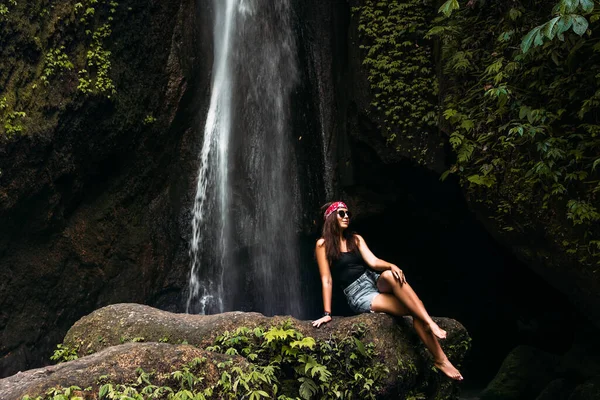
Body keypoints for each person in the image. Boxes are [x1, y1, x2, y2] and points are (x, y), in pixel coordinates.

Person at [311, 201, 463, 381]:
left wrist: (392, 265)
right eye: (341, 213)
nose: (346, 217)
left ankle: (429, 323)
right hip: (359, 293)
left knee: (391, 275)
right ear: (330, 217)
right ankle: (440, 358)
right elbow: (326, 279)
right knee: (416, 309)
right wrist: (327, 313)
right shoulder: (323, 244)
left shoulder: (356, 239)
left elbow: (374, 262)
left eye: (348, 214)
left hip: (373, 280)